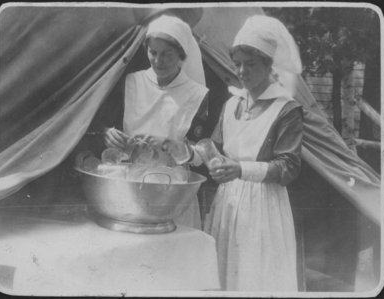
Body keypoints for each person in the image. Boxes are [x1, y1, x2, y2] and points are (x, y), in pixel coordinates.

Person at [201, 15, 303, 291]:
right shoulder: (232, 104)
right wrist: (191, 153)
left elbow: (288, 167)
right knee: (226, 274)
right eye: (238, 65)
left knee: (255, 278)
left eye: (251, 64)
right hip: (228, 203)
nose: (242, 71)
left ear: (269, 66)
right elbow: (214, 149)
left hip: (263, 208)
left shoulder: (286, 109)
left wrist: (241, 169)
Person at [102, 15, 209, 229]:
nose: (158, 61)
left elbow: (203, 154)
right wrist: (109, 133)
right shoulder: (131, 82)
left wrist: (172, 146)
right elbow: (104, 126)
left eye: (167, 55)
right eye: (153, 52)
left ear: (181, 54)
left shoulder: (197, 95)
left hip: (172, 192)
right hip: (129, 184)